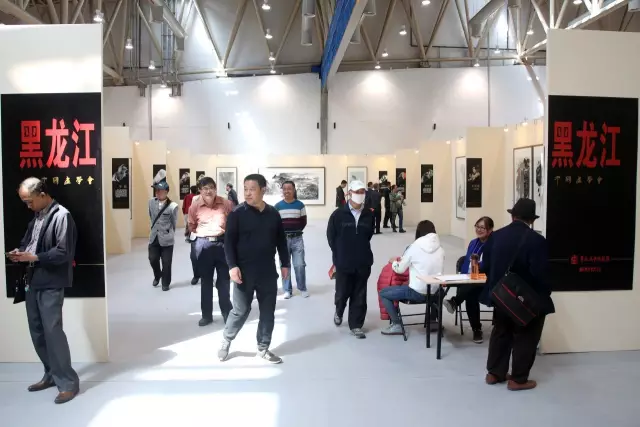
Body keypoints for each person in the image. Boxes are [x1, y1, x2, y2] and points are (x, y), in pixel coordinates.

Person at [8, 177, 79, 404]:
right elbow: (28, 243)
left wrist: (34, 257)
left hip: (51, 282)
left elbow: (64, 252)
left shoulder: (62, 216)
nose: (28, 206)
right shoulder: (37, 217)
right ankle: (51, 373)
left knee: (53, 332)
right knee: (37, 331)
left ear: (42, 194)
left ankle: (68, 382)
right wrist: (20, 252)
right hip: (32, 281)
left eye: (29, 201)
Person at [481, 198, 555, 391]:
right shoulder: (537, 241)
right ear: (531, 220)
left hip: (501, 295)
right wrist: (544, 294)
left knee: (500, 332)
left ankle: (494, 373)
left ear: (512, 216)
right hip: (525, 300)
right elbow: (541, 274)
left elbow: (485, 266)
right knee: (526, 336)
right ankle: (518, 379)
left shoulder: (495, 237)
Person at [219, 174, 290, 364]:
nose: (248, 193)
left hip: (267, 272)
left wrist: (285, 263)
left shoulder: (273, 214)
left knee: (268, 311)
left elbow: (281, 241)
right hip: (243, 272)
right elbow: (228, 243)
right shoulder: (237, 214)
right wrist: (232, 266)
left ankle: (263, 347)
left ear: (263, 190)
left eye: (252, 189)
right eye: (245, 189)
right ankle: (227, 339)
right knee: (240, 310)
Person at [378, 220, 445, 335]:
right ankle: (432, 321)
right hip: (435, 292)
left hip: (416, 293)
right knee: (437, 291)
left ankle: (396, 324)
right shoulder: (441, 249)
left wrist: (394, 262)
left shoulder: (413, 248)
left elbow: (400, 269)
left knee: (384, 293)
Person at [327, 180, 374, 339]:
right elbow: (331, 237)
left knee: (359, 294)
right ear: (350, 193)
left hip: (363, 261)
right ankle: (339, 310)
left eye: (362, 192)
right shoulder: (338, 215)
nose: (360, 195)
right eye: (357, 192)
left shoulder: (368, 215)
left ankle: (356, 325)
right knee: (342, 292)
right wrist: (339, 253)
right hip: (343, 262)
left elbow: (368, 235)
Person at [188, 177, 234, 327]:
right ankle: (206, 315)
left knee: (224, 281)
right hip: (203, 245)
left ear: (215, 189)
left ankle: (227, 312)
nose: (208, 191)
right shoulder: (194, 207)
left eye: (211, 188)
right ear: (200, 191)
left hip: (222, 244)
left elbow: (233, 224)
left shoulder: (226, 204)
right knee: (206, 281)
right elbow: (192, 226)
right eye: (205, 188)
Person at [443, 216, 494, 344]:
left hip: (486, 281)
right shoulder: (473, 243)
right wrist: (464, 277)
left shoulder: (493, 244)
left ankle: (455, 301)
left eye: (482, 228)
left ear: (490, 230)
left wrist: (477, 268)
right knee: (470, 294)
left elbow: (489, 265)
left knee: (470, 290)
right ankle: (476, 330)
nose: (479, 230)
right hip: (471, 281)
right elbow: (466, 263)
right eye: (477, 226)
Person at [274, 181, 308, 299]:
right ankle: (287, 290)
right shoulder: (277, 206)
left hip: (297, 239)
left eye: (289, 189)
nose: (287, 191)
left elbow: (303, 221)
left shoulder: (300, 205)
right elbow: (276, 224)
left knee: (300, 264)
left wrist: (295, 231)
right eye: (284, 189)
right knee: (285, 264)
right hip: (283, 240)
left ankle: (302, 288)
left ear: (294, 190)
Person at [148, 179, 178, 291]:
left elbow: (174, 222)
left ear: (166, 192)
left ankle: (166, 283)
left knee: (167, 263)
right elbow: (151, 216)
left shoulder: (173, 206)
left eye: (159, 190)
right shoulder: (151, 202)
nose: (157, 192)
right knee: (152, 259)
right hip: (154, 237)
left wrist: (168, 233)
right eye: (156, 190)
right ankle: (157, 275)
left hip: (167, 238)